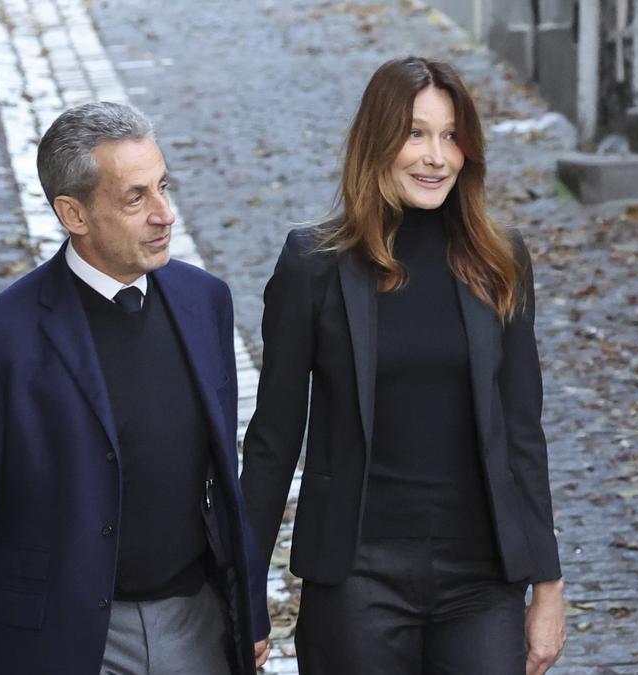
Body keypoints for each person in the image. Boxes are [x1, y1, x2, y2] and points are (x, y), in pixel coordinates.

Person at [0, 101, 271, 675]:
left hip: (196, 625)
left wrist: (249, 608)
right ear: (73, 213)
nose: (164, 214)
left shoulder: (206, 301)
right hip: (66, 639)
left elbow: (222, 476)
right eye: (135, 198)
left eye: (163, 187)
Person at [240, 56, 567, 674]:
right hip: (358, 579)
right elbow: (273, 439)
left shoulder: (502, 260)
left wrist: (547, 585)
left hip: (482, 581)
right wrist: (245, 582)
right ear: (377, 141)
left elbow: (524, 431)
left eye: (451, 137)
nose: (435, 157)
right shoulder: (312, 265)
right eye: (415, 134)